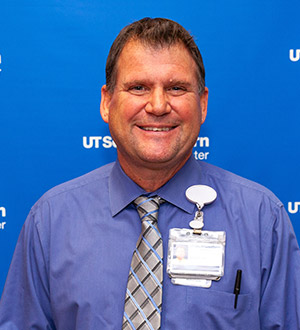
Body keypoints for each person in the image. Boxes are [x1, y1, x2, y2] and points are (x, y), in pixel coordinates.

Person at [0, 17, 300, 330]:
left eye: (176, 88)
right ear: (107, 103)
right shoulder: (51, 219)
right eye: (139, 87)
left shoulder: (263, 220)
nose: (158, 105)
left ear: (202, 104)